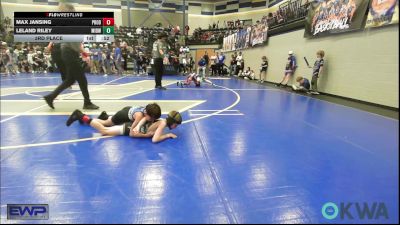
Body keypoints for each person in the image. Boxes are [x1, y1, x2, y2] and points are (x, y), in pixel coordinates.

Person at [43, 3, 98, 110]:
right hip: (69, 53)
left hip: (66, 52)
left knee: (70, 80)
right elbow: (76, 45)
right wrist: (86, 55)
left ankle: (50, 97)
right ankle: (87, 102)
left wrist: (84, 53)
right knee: (82, 79)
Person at [66, 109, 182, 143]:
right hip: (127, 128)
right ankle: (81, 116)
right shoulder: (162, 124)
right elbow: (155, 140)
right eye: (176, 125)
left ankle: (101, 117)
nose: (176, 127)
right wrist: (168, 135)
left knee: (106, 128)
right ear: (172, 122)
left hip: (130, 127)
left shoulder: (162, 121)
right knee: (104, 130)